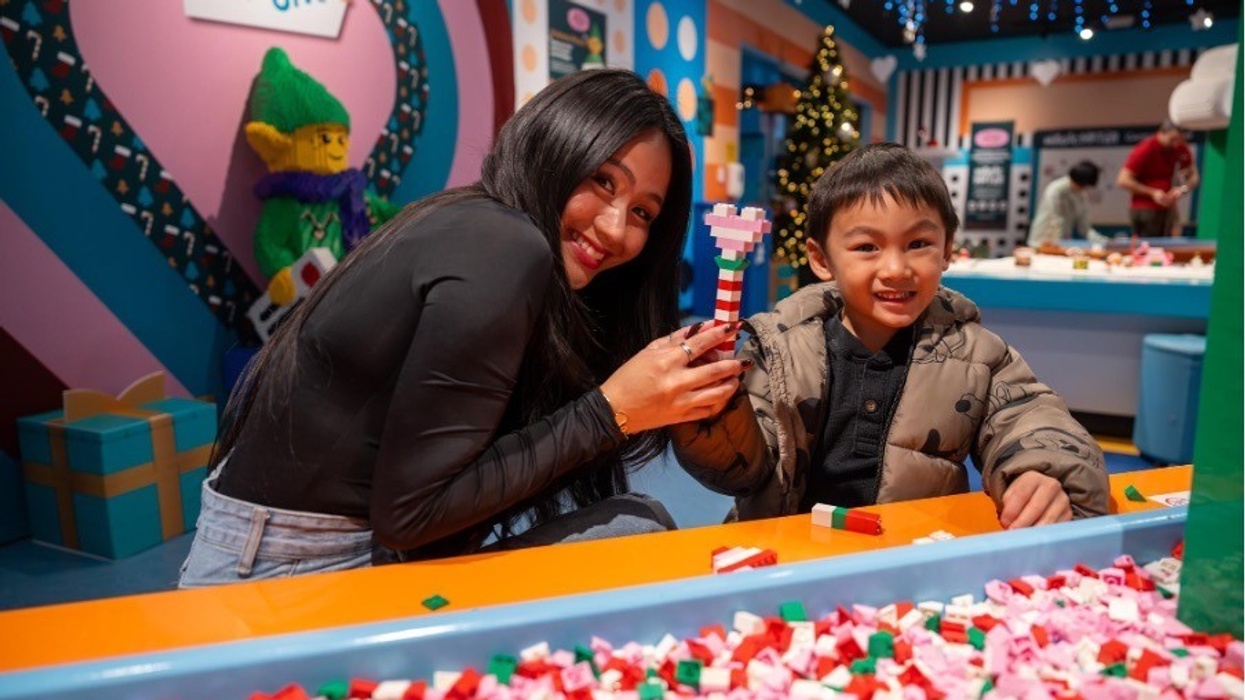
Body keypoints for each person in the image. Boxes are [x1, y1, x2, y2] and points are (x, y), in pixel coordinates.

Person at [179, 69, 745, 587]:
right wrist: (612, 409)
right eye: (602, 181)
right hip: (287, 573)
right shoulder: (504, 246)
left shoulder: (483, 227)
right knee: (635, 533)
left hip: (311, 547)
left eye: (643, 212)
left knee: (634, 525)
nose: (616, 228)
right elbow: (412, 516)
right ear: (553, 147)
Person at [672, 143, 1108, 529]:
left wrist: (1042, 471)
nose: (896, 269)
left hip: (908, 555)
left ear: (947, 250)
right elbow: (743, 470)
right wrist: (713, 419)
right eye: (867, 247)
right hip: (785, 553)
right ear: (821, 259)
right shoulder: (779, 350)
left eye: (918, 244)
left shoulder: (978, 355)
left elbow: (1029, 416)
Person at [1117, 121, 1199, 238]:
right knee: (1149, 244)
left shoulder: (1180, 147)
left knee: (1172, 243)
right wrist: (1152, 192)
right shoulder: (1146, 148)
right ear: (1161, 133)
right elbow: (1122, 180)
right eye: (1172, 139)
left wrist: (1182, 189)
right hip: (1145, 209)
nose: (1175, 144)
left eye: (1179, 140)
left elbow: (1194, 177)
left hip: (1169, 209)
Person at [1026, 161, 1106, 248]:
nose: (1084, 188)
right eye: (1083, 186)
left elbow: (1084, 228)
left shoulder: (1081, 195)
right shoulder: (1056, 189)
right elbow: (1055, 218)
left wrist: (1103, 241)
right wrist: (1060, 243)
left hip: (1062, 243)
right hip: (1042, 241)